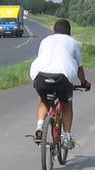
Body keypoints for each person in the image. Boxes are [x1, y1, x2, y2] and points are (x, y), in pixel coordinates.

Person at [29, 19, 90, 147]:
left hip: (40, 76)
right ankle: (67, 137)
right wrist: (84, 83)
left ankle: (39, 127)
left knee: (44, 101)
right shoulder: (72, 42)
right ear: (69, 33)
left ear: (54, 31)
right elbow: (79, 67)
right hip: (62, 77)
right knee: (66, 104)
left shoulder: (45, 40)